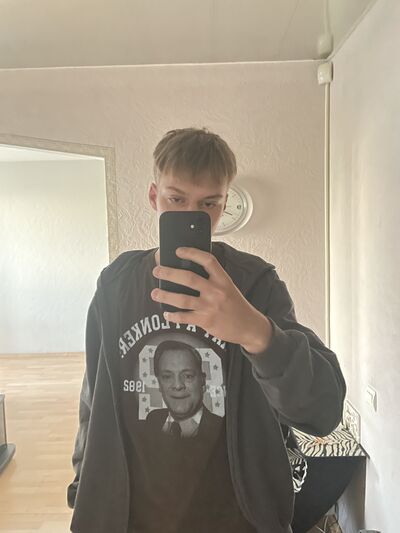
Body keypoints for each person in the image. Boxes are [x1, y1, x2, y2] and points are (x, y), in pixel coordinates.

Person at [67, 127, 346, 533]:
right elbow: (94, 397)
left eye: (208, 203)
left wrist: (256, 333)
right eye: (176, 199)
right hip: (127, 518)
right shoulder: (116, 285)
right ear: (153, 196)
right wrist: (83, 487)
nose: (188, 214)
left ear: (224, 205)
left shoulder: (254, 285)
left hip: (237, 519)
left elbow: (322, 412)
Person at [147, 339, 222, 439]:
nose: (178, 386)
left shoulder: (222, 427)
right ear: (159, 384)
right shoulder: (153, 420)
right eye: (167, 377)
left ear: (202, 381)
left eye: (188, 376)